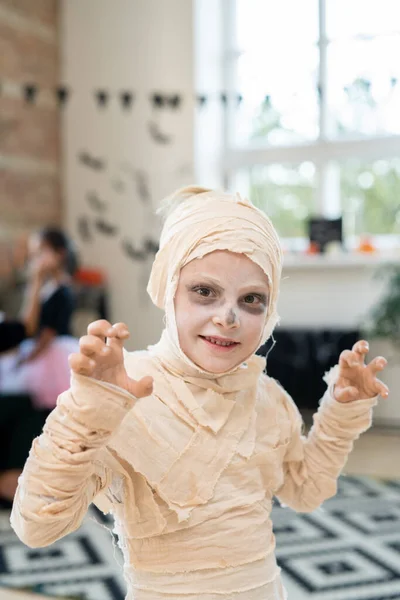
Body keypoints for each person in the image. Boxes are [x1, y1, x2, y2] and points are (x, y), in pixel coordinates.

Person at [10, 187, 389, 600]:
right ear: (169, 288)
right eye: (204, 291)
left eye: (251, 300)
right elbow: (37, 525)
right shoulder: (127, 390)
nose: (227, 318)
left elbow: (304, 489)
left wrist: (341, 414)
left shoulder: (268, 398)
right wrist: (85, 414)